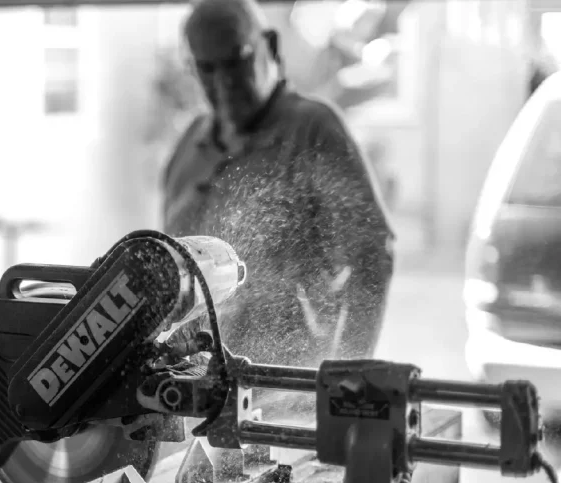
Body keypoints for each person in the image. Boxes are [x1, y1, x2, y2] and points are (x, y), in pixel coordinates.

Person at [162, 0, 395, 419]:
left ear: (269, 45)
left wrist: (348, 381)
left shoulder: (312, 131)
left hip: (288, 401)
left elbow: (371, 257)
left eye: (236, 62)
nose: (223, 83)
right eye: (207, 69)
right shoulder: (188, 149)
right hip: (197, 403)